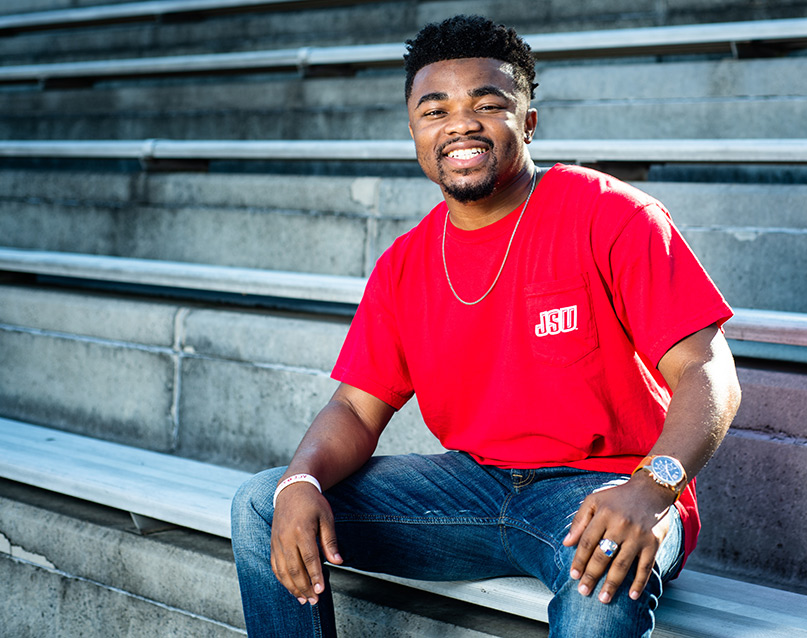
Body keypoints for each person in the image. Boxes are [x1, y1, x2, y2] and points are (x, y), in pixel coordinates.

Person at [232, 14, 741, 638]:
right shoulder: (404, 264)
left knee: (602, 580)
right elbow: (356, 410)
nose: (461, 124)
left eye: (487, 103)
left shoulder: (609, 213)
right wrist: (302, 480)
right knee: (265, 504)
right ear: (415, 131)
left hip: (606, 488)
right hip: (472, 490)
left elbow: (708, 370)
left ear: (528, 122)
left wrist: (653, 486)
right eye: (435, 109)